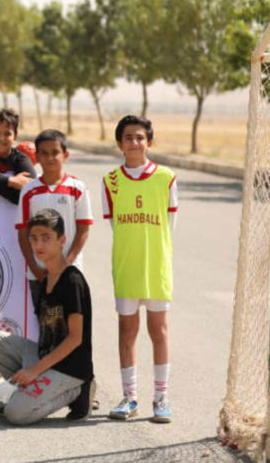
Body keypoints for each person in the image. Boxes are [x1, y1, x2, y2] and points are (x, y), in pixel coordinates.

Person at [0, 209, 94, 424]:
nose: (39, 245)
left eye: (46, 238)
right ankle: (27, 392)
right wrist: (33, 367)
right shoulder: (45, 280)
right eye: (34, 238)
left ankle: (79, 392)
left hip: (70, 367)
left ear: (62, 240)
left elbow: (75, 339)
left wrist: (34, 370)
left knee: (15, 414)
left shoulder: (72, 280)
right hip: (47, 357)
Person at [103, 115, 178, 423]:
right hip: (126, 264)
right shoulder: (110, 180)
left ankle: (161, 398)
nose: (134, 142)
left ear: (149, 142)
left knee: (158, 330)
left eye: (140, 137)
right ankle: (130, 397)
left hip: (157, 265)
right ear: (120, 144)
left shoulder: (166, 177)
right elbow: (113, 224)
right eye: (128, 137)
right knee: (127, 332)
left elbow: (170, 224)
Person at [15, 129, 93, 309]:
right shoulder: (29, 191)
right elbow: (23, 233)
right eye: (44, 153)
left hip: (70, 271)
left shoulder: (77, 188)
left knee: (72, 326)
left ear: (65, 155)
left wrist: (67, 264)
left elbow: (83, 230)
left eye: (55, 152)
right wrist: (34, 268)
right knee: (45, 327)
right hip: (39, 274)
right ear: (37, 157)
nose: (50, 158)